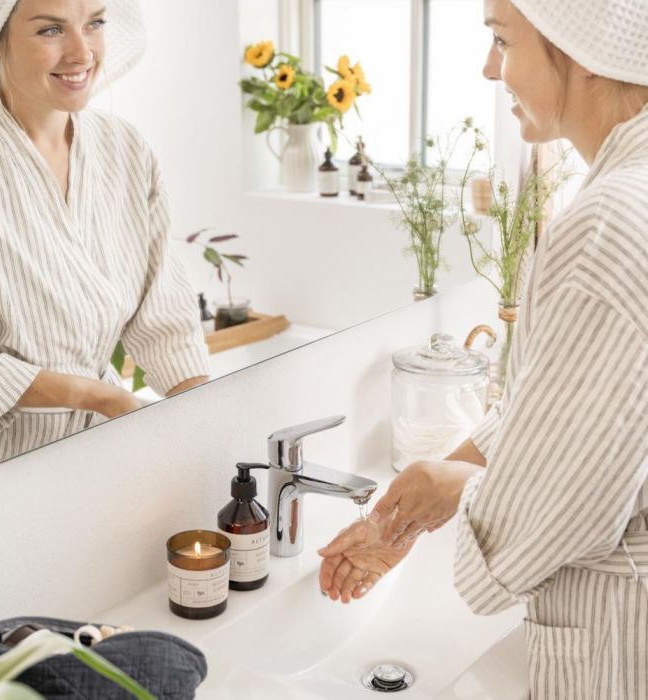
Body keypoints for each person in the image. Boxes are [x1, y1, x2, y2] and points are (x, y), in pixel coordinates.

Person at [318, 1, 648, 697]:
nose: (490, 68)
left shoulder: (608, 223)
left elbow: (556, 505)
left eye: (503, 41)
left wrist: (461, 491)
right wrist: (457, 469)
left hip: (622, 636)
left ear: (580, 48)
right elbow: (581, 412)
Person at [0, 0, 210, 479]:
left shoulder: (124, 148)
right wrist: (100, 396)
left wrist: (207, 427)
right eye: (50, 30)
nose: (82, 53)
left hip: (96, 450)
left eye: (95, 24)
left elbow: (165, 317)